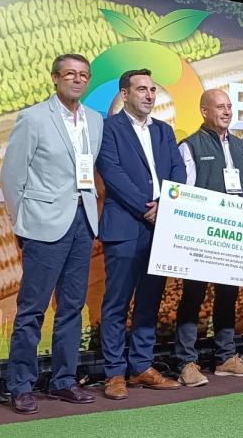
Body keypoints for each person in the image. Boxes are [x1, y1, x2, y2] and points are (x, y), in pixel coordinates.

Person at [0, 53, 103, 415]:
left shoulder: (94, 119)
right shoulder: (33, 118)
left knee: (72, 308)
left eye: (83, 75)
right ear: (55, 79)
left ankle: (63, 380)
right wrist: (22, 222)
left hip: (82, 222)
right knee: (32, 309)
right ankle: (21, 385)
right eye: (70, 74)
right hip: (44, 224)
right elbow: (12, 177)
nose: (77, 80)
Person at [95, 69, 186, 399]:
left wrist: (166, 205)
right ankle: (114, 373)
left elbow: (179, 170)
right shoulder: (108, 129)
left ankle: (142, 367)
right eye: (141, 89)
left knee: (149, 301)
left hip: (161, 227)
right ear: (124, 94)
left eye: (152, 90)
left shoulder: (164, 131)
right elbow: (112, 173)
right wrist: (146, 206)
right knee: (117, 303)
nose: (149, 95)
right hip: (124, 226)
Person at [174, 89, 243, 386]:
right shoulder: (190, 146)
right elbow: (183, 192)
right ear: (204, 111)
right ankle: (186, 362)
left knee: (228, 294)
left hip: (233, 236)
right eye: (220, 107)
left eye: (229, 107)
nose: (226, 112)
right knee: (193, 296)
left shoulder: (242, 147)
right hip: (201, 236)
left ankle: (226, 358)